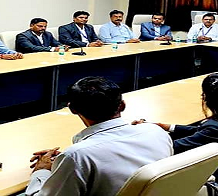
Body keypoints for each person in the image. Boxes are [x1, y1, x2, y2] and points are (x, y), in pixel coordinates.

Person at [25, 76, 172, 196]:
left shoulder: (78, 156)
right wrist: (64, 163)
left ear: (72, 109)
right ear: (122, 105)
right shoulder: (156, 132)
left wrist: (42, 170)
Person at [136, 74, 218, 189]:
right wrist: (168, 127)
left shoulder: (215, 128)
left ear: (207, 98)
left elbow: (173, 148)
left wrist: (148, 133)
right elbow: (203, 132)